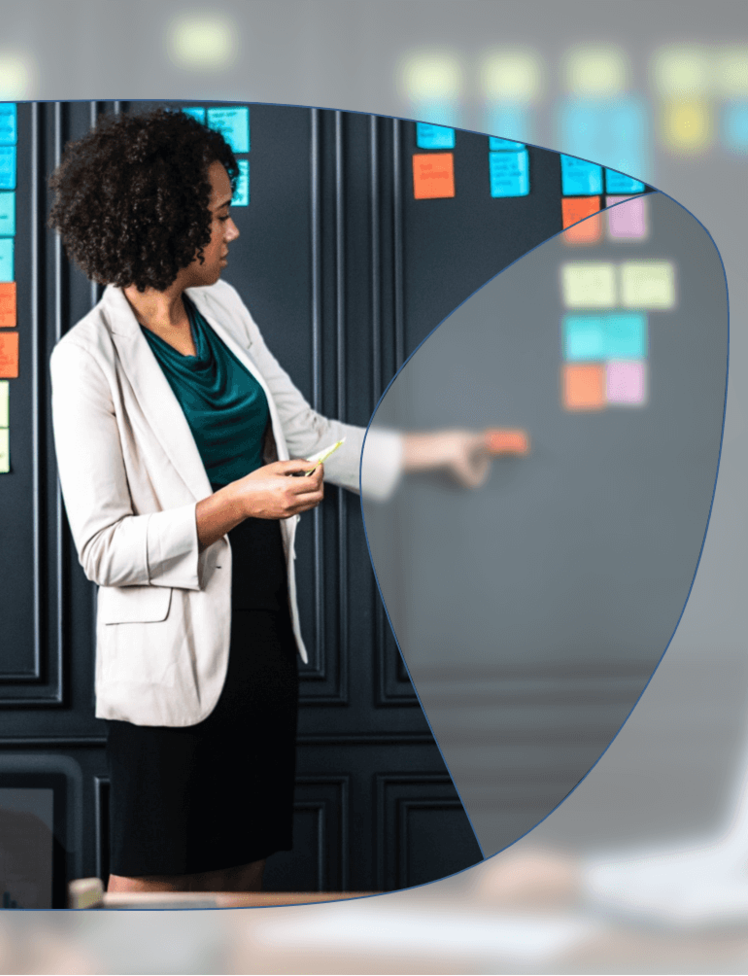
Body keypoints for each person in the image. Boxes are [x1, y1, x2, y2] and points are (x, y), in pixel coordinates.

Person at [48, 108, 490, 893]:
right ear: (164, 220)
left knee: (241, 874)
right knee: (150, 888)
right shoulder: (85, 357)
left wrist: (432, 456)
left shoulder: (223, 309)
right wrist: (238, 503)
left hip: (261, 632)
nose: (233, 231)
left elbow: (306, 431)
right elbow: (103, 548)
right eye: (219, 214)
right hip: (171, 658)